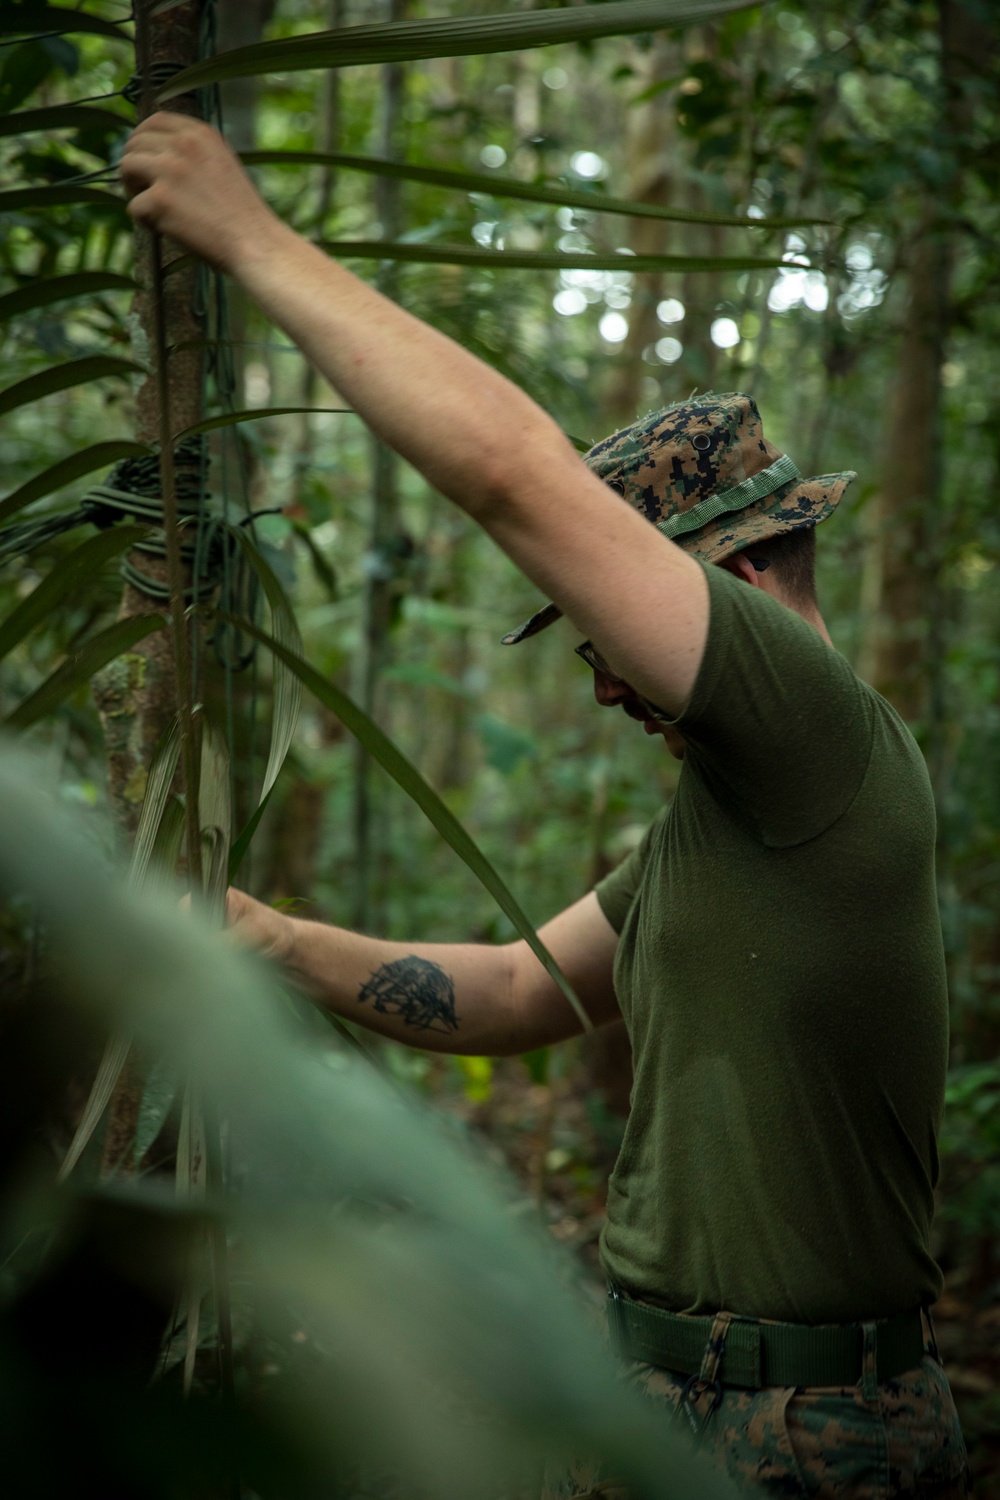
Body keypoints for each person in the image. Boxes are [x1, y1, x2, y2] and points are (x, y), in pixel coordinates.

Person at [121, 113, 970, 1498]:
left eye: (603, 643)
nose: (603, 686)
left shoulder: (820, 735)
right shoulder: (731, 816)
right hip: (657, 1401)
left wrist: (250, 236)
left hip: (811, 1435)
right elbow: (522, 993)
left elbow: (513, 477)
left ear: (735, 590)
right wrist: (269, 939)